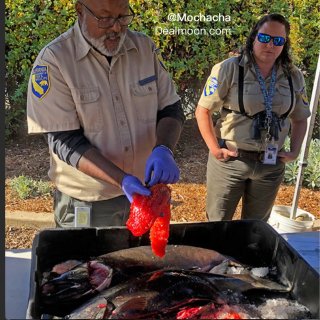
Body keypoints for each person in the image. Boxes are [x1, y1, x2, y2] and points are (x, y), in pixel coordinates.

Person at [27, 0, 185, 228]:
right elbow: (63, 141)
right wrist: (121, 180)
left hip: (146, 193)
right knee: (90, 264)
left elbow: (171, 108)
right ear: (80, 11)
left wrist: (164, 149)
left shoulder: (144, 48)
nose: (116, 28)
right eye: (105, 18)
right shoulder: (54, 60)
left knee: (145, 262)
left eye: (122, 17)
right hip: (89, 202)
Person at [195, 13, 310, 222]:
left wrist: (294, 151)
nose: (270, 45)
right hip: (231, 161)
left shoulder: (294, 75)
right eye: (265, 38)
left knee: (256, 231)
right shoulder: (229, 68)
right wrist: (214, 148)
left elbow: (300, 118)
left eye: (278, 41)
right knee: (217, 227)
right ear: (254, 37)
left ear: (285, 44)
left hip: (271, 164)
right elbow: (202, 110)